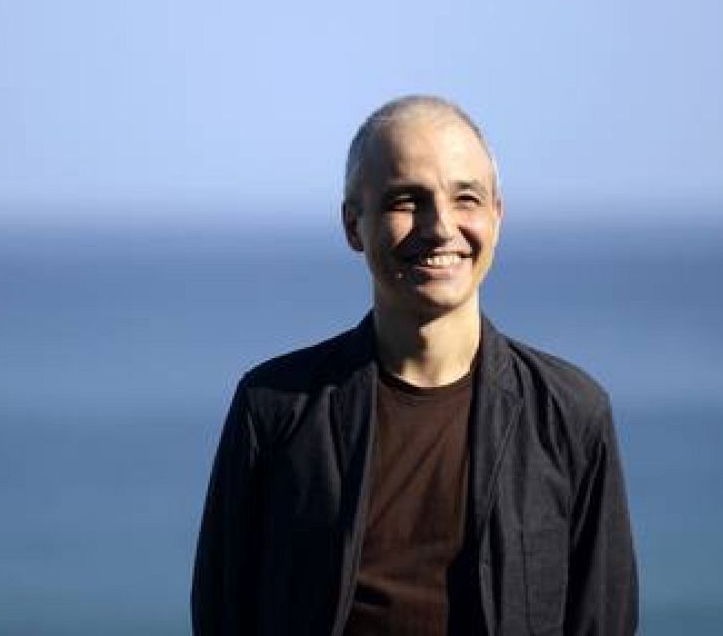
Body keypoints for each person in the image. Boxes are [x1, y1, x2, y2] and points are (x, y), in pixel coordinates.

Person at [192, 95, 638, 636]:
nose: (440, 227)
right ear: (353, 225)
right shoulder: (274, 408)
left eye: (466, 198)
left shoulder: (571, 415)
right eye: (407, 201)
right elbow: (222, 614)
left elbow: (603, 621)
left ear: (497, 217)